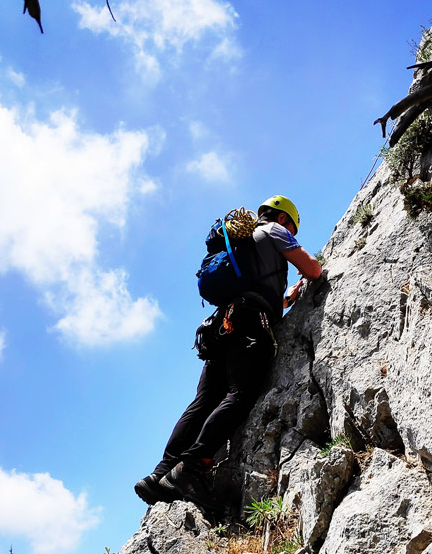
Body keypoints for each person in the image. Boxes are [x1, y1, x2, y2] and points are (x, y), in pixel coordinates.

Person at [135, 195, 322, 508]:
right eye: (292, 228)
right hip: (249, 323)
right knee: (241, 394)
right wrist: (305, 275)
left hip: (221, 325)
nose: (290, 233)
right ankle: (191, 468)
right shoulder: (275, 230)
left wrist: (286, 299)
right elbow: (313, 269)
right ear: (283, 218)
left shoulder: (242, 242)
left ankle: (160, 474)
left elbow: (257, 289)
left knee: (205, 400)